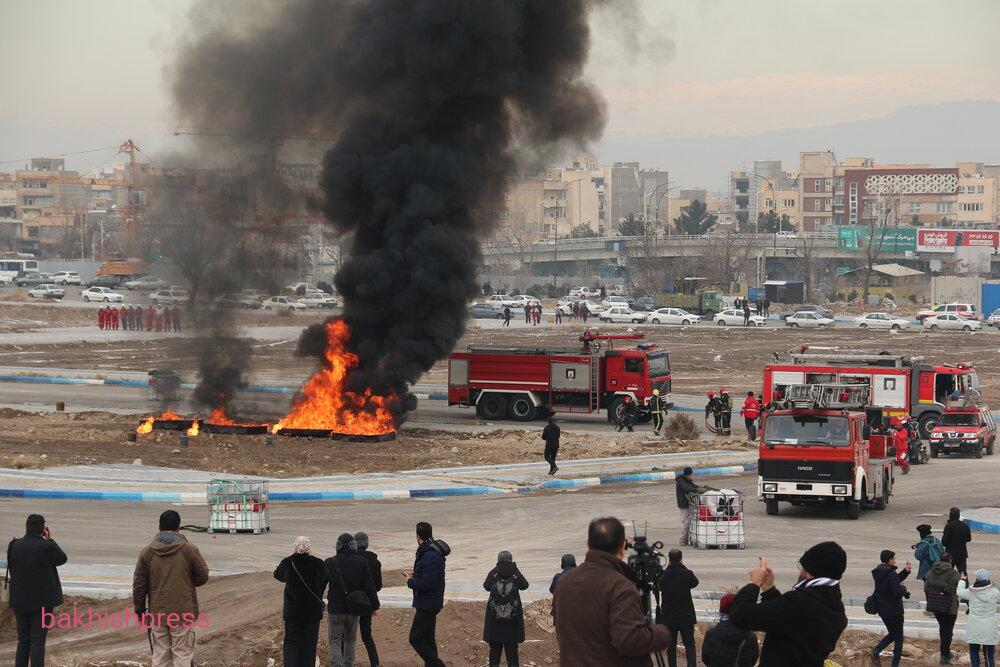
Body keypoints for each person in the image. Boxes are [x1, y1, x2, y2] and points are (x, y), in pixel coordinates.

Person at [552, 517, 670, 666]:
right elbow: (629, 641)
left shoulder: (565, 583)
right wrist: (661, 634)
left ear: (588, 544)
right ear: (622, 547)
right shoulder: (620, 587)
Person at [729, 541, 848, 665]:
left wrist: (754, 583)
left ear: (810, 571)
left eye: (800, 566)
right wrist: (769, 590)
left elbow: (740, 615)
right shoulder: (836, 610)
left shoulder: (799, 602)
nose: (800, 571)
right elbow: (785, 621)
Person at [132, 510, 209, 667]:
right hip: (184, 613)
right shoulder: (189, 550)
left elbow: (139, 585)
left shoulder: (147, 553)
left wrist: (140, 611)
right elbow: (202, 577)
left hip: (157, 614)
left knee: (161, 653)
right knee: (182, 654)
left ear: (159, 527)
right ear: (178, 528)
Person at [8, 514, 67, 667]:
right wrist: (49, 540)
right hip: (42, 603)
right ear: (43, 529)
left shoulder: (14, 545)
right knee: (37, 641)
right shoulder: (46, 546)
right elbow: (62, 559)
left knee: (23, 641)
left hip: (19, 601)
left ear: (26, 527)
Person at [325, 532, 378, 667]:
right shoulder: (362, 562)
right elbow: (369, 586)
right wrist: (375, 605)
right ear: (354, 546)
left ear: (337, 546)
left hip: (336, 609)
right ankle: (348, 664)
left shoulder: (330, 562)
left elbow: (320, 585)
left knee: (335, 641)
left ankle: (337, 665)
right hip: (354, 608)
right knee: (350, 639)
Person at [273, 536, 327, 667]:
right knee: (309, 644)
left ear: (295, 547)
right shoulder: (319, 563)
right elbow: (324, 580)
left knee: (291, 642)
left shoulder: (288, 562)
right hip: (312, 612)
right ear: (309, 548)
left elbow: (278, 575)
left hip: (293, 612)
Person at [406, 522, 450, 667]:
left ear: (418, 536)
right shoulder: (430, 551)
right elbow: (429, 575)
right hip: (431, 601)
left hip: (428, 603)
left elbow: (427, 584)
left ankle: (438, 664)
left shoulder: (429, 554)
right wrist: (416, 574)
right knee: (428, 638)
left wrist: (410, 581)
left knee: (415, 638)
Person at [483, 551, 530, 667]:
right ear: (511, 560)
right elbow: (525, 585)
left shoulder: (493, 572)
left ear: (498, 560)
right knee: (512, 650)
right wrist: (515, 569)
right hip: (512, 620)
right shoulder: (515, 572)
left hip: (495, 619)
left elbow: (486, 586)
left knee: (494, 650)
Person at [870, 549, 912, 667]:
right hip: (894, 611)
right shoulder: (890, 573)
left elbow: (892, 582)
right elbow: (897, 592)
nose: (895, 560)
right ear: (889, 560)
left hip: (883, 610)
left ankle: (877, 650)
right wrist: (904, 589)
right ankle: (894, 664)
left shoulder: (880, 572)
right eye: (894, 558)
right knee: (898, 638)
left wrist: (905, 572)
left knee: (893, 634)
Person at [657, 549, 698, 667]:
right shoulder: (687, 573)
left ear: (669, 560)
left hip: (669, 617)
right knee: (689, 644)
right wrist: (682, 567)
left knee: (671, 646)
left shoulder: (663, 575)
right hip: (686, 616)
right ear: (681, 559)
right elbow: (695, 582)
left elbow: (659, 587)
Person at [701, 593, 759, 667]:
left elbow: (705, 658)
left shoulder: (711, 634)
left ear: (721, 610)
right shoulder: (750, 637)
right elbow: (753, 658)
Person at [958, 568, 1000, 667]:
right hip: (989, 627)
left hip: (974, 627)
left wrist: (962, 580)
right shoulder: (995, 592)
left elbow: (959, 592)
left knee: (973, 651)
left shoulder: (971, 591)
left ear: (977, 579)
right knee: (989, 653)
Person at [924, 551, 960, 665]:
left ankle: (946, 652)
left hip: (936, 606)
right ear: (950, 560)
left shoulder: (930, 572)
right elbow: (957, 591)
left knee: (943, 628)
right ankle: (944, 655)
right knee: (947, 631)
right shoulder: (954, 574)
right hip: (950, 608)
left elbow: (926, 588)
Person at [354, 531, 382, 667]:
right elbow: (378, 586)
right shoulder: (375, 562)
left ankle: (346, 662)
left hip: (352, 601)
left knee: (348, 636)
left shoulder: (351, 560)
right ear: (367, 544)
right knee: (367, 636)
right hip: (368, 602)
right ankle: (375, 663)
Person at [675, 467, 703, 547]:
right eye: (690, 475)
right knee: (686, 523)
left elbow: (694, 486)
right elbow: (687, 489)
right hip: (683, 505)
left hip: (689, 504)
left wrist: (703, 488)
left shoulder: (688, 480)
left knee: (692, 522)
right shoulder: (681, 481)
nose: (691, 477)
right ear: (687, 475)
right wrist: (698, 490)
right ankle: (682, 539)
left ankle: (688, 539)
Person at [942, 507, 972, 575]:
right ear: (959, 516)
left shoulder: (949, 526)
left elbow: (944, 542)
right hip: (962, 554)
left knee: (947, 573)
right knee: (963, 573)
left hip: (950, 555)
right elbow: (968, 539)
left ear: (950, 515)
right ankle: (965, 585)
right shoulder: (965, 526)